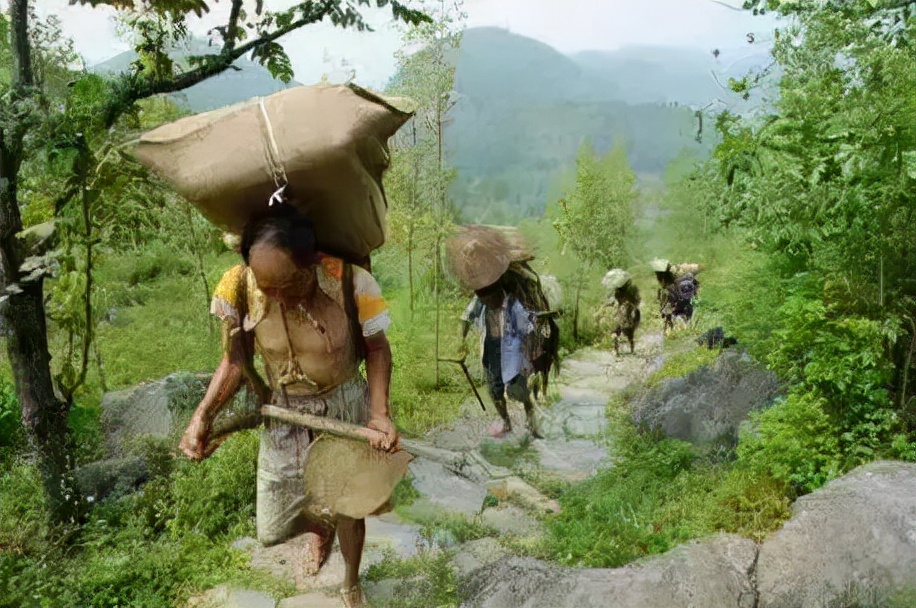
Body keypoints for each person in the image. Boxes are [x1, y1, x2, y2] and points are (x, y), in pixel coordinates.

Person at [179, 204, 397, 608]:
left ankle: (351, 582)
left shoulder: (350, 281)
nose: (276, 296)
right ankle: (319, 527)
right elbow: (234, 359)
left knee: (350, 506)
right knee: (273, 525)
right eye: (267, 286)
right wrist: (202, 416)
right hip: (284, 411)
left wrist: (378, 413)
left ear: (312, 263)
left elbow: (378, 349)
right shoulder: (240, 286)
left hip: (342, 406)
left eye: (288, 284)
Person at [459, 276, 542, 439]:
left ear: (497, 293)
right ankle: (506, 423)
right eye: (484, 299)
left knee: (519, 392)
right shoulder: (480, 300)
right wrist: (460, 341)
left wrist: (530, 353)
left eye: (489, 299)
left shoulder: (512, 304)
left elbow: (526, 329)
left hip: (513, 353)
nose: (487, 302)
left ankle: (531, 423)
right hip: (491, 350)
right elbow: (465, 318)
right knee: (494, 391)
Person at [597, 270, 641, 356]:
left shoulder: (617, 293)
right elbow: (636, 302)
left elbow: (613, 302)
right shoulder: (630, 292)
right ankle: (632, 350)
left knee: (616, 330)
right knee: (630, 332)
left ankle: (616, 350)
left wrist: (604, 307)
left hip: (621, 312)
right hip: (629, 312)